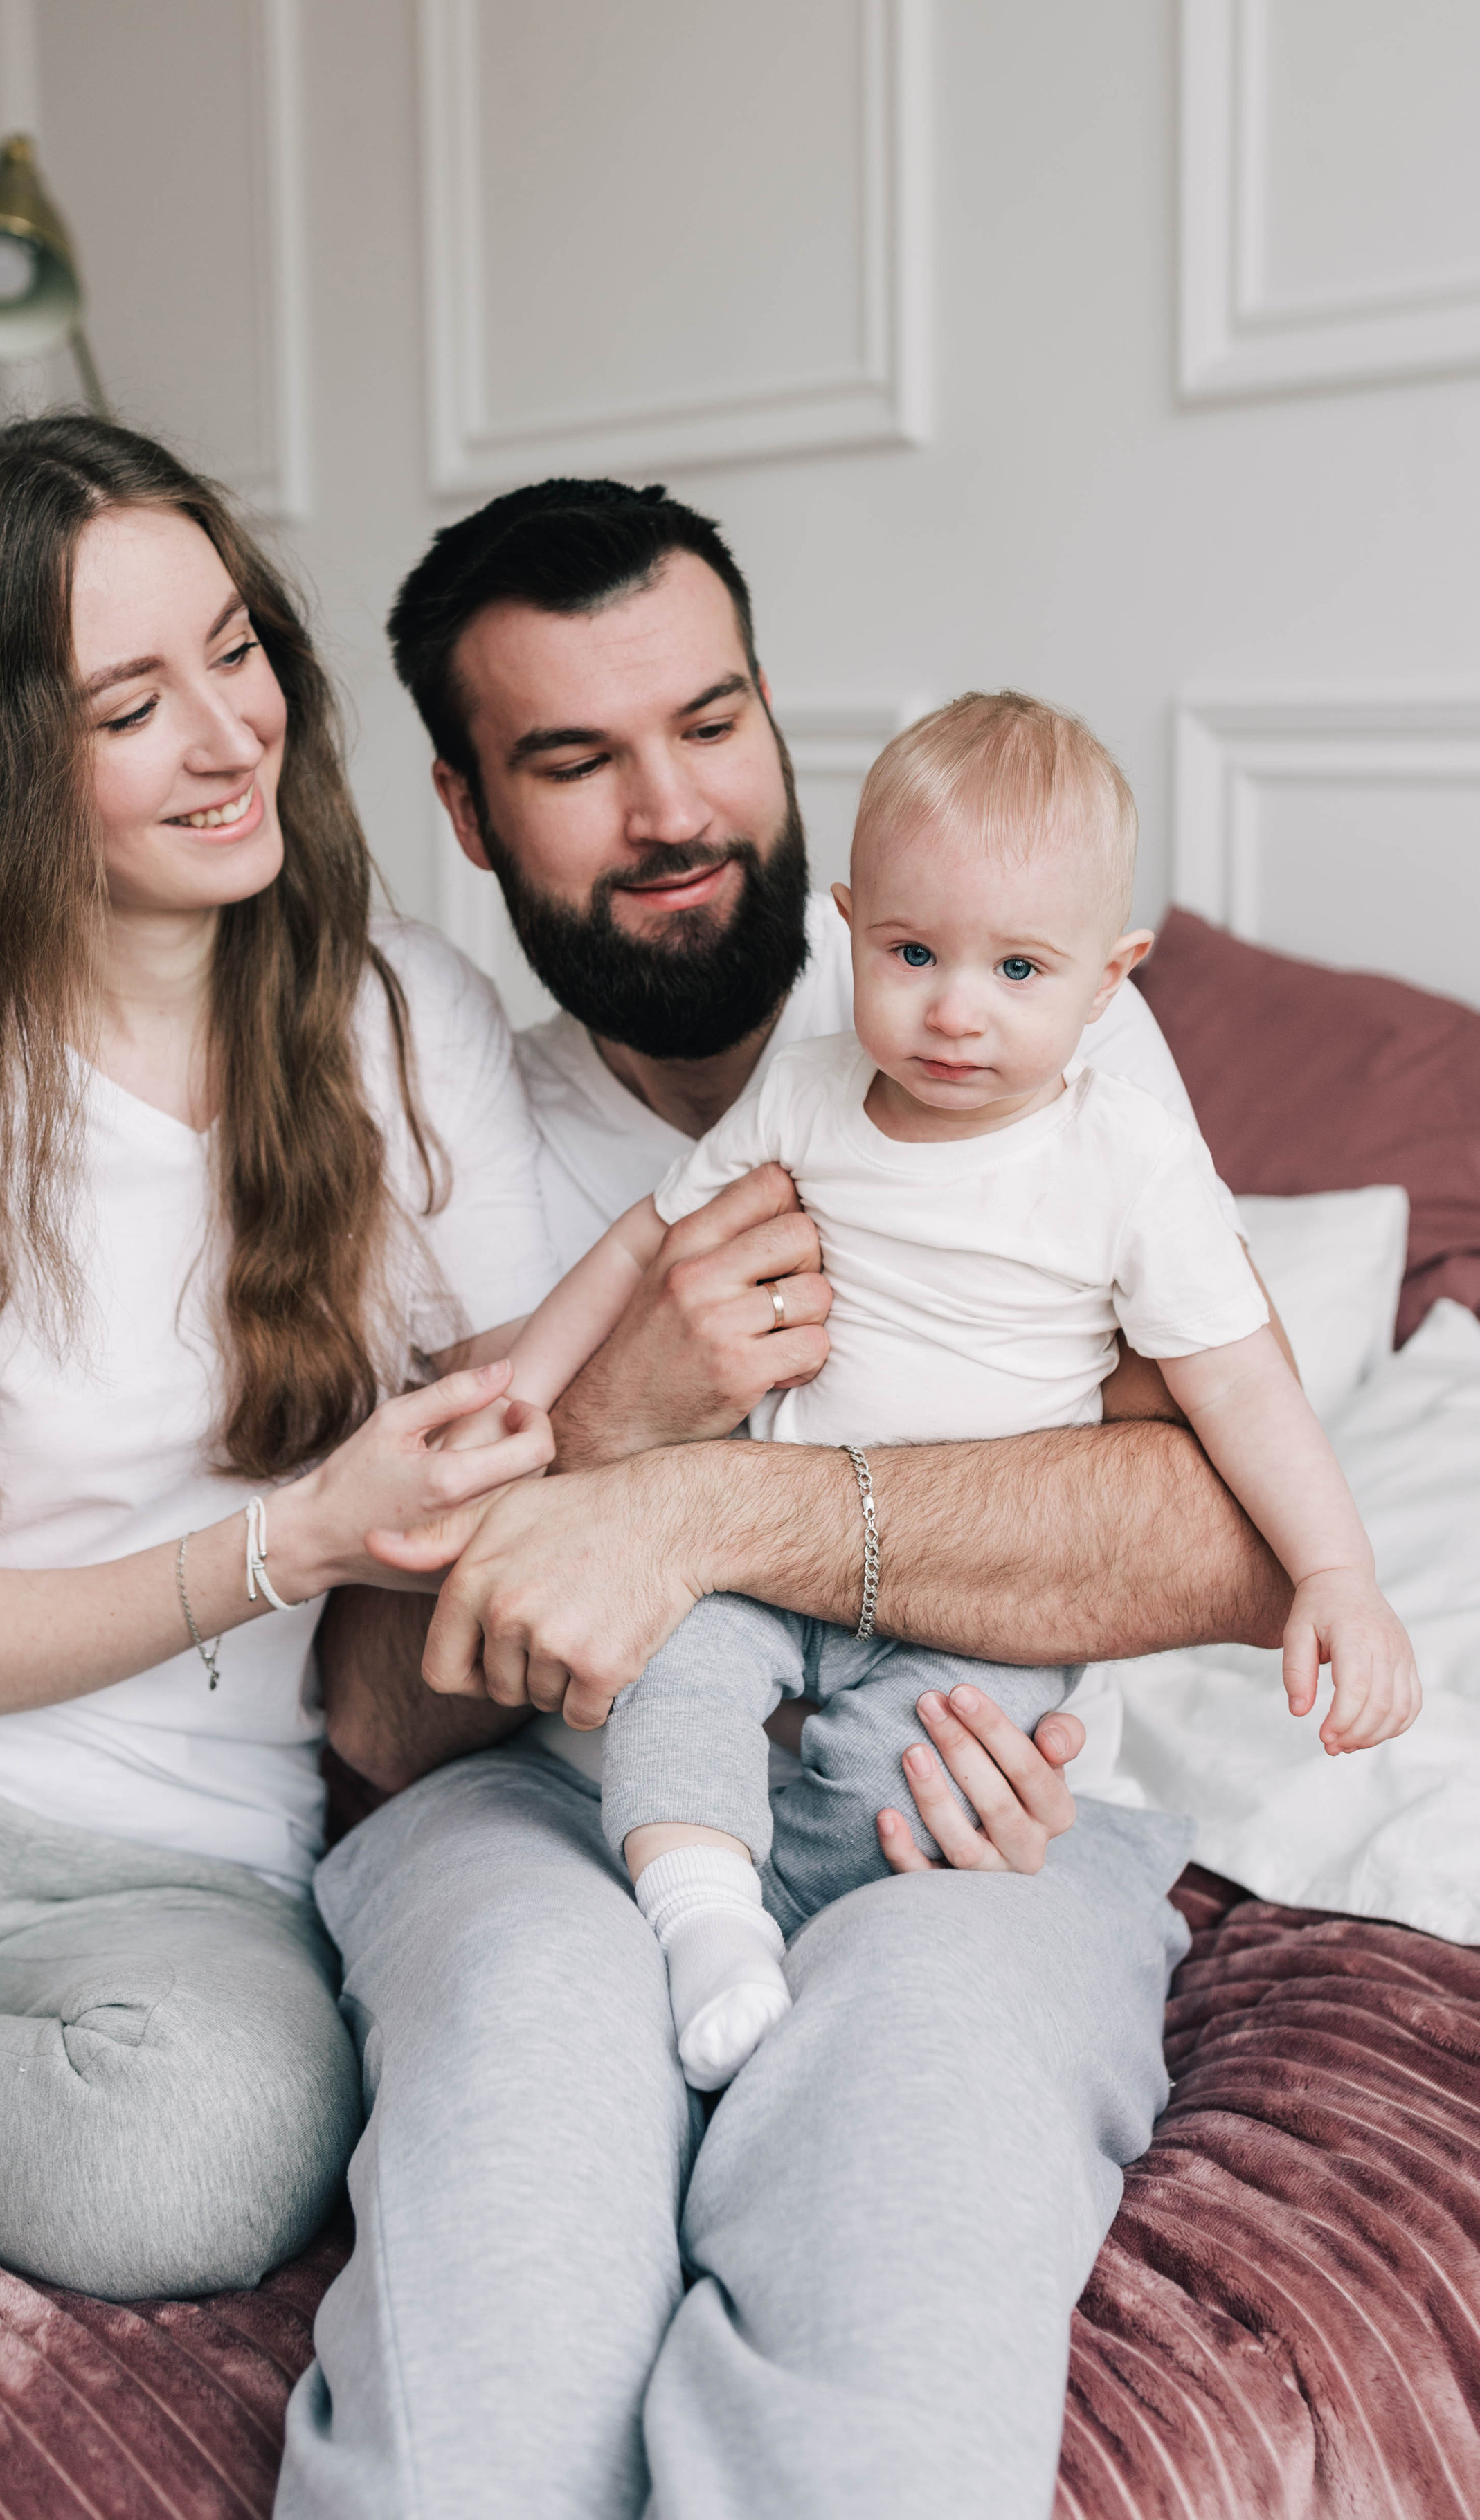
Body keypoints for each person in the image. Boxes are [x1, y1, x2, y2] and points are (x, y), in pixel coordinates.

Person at [287, 484, 1297, 2518]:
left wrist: (710, 1516)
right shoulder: (428, 1116)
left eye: (712, 721)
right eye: (574, 760)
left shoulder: (1036, 1021)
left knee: (895, 2314)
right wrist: (616, 1416)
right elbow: (375, 1717)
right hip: (542, 1819)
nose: (674, 809)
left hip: (960, 1815)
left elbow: (1229, 1541)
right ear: (466, 811)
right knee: (504, 2279)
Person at [0, 415, 564, 2303]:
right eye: (129, 706)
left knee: (203, 2170)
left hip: (183, 1857)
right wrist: (294, 1542)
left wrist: (669, 1281)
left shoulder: (403, 1020)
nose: (229, 735)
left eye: (235, 651)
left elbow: (535, 1403)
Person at [449, 688, 1417, 2090]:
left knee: (917, 1778)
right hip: (757, 1568)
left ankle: (788, 1939)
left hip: (973, 1606)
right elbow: (638, 1245)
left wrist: (1337, 1575)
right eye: (910, 953)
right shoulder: (806, 1094)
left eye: (1018, 969)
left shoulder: (1130, 1162)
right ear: (847, 928)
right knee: (672, 1675)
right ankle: (703, 1916)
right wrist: (526, 1398)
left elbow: (1245, 1386)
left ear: (1109, 979)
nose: (955, 1010)